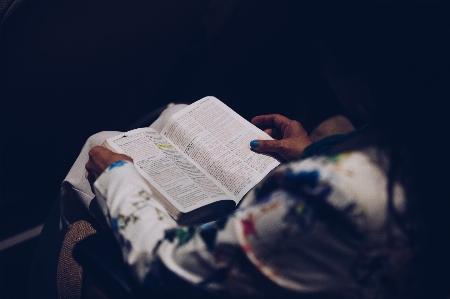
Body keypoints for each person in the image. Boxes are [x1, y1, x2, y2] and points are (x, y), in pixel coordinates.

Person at [83, 5, 450, 299]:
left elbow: (164, 269)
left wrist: (118, 176)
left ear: (357, 76)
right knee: (175, 113)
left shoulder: (340, 195)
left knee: (99, 143)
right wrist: (312, 151)